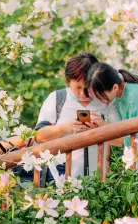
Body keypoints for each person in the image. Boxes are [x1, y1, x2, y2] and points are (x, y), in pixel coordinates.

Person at [33, 52, 108, 180]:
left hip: (100, 180)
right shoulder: (57, 99)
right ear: (68, 82)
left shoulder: (106, 100)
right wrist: (64, 128)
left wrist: (103, 127)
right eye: (78, 87)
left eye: (88, 87)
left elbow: (122, 140)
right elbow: (38, 136)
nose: (83, 93)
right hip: (61, 178)